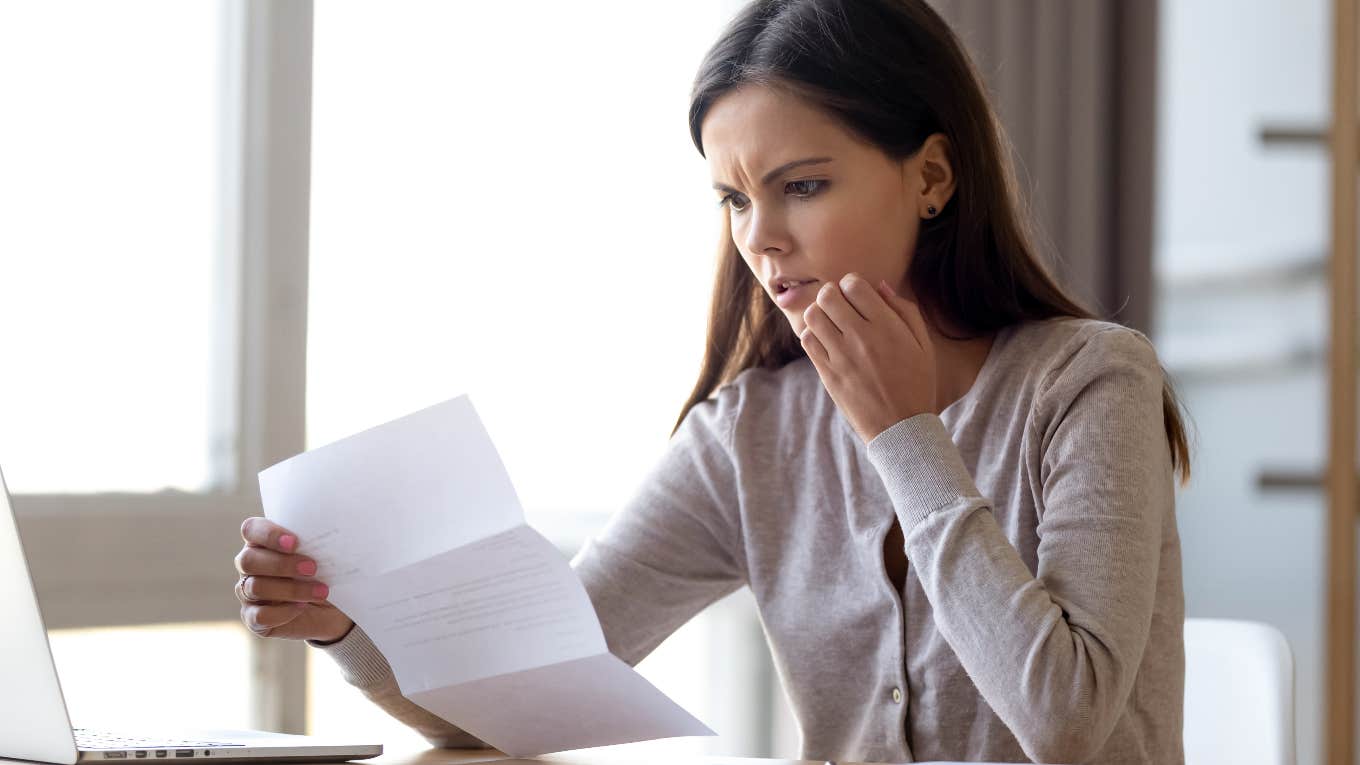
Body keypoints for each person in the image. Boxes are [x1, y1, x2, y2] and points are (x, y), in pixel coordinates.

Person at [233, 1, 1192, 762]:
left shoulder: (1089, 380)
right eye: (735, 197)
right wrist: (345, 626)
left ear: (932, 177)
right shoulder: (751, 435)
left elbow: (1066, 728)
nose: (761, 236)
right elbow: (522, 698)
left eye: (803, 185)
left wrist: (905, 437)